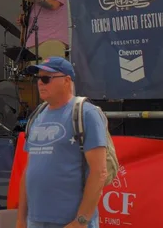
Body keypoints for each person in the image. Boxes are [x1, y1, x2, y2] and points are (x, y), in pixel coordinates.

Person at [16, 57, 108, 228]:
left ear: (66, 81)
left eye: (46, 78)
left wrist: (81, 221)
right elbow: (29, 171)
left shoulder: (87, 113)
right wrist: (21, 219)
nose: (40, 83)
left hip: (70, 222)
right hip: (35, 221)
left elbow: (99, 172)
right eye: (38, 78)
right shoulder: (37, 115)